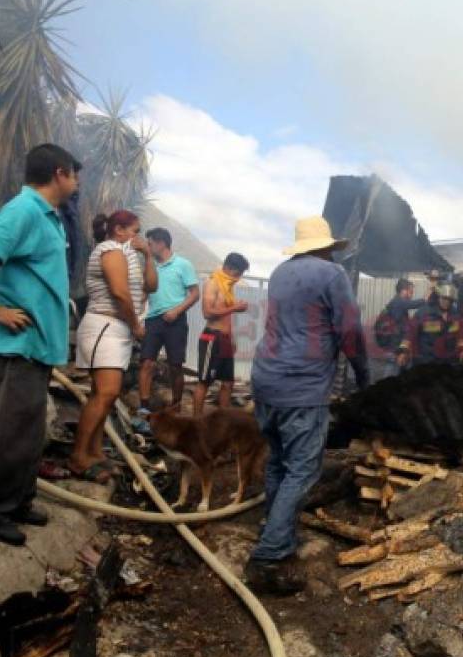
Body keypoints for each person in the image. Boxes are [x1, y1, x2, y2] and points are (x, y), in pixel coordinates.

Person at [0, 143, 80, 546]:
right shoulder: (24, 209)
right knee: (4, 432)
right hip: (15, 344)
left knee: (28, 434)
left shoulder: (51, 218)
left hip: (36, 346)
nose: (76, 183)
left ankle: (16, 502)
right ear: (60, 173)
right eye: (74, 175)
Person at [244, 215, 369, 593]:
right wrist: (364, 376)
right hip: (302, 387)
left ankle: (274, 527)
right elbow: (349, 330)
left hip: (266, 380)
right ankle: (270, 553)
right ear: (327, 245)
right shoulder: (332, 275)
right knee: (302, 469)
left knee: (279, 459)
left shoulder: (281, 272)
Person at [69, 211, 157, 483]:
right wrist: (136, 326)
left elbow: (151, 286)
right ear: (119, 230)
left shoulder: (128, 254)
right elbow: (119, 293)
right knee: (106, 393)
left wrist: (148, 256)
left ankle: (94, 452)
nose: (138, 236)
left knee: (104, 394)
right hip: (105, 326)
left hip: (116, 330)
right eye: (134, 230)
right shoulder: (109, 250)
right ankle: (78, 456)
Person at [133, 228, 199, 432]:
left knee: (175, 366)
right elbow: (145, 294)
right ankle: (143, 409)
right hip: (153, 320)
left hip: (175, 321)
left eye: (150, 243)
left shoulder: (183, 264)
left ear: (161, 243)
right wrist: (136, 318)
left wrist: (177, 310)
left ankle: (176, 407)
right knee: (146, 363)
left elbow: (195, 294)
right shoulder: (150, 266)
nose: (149, 247)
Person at [192, 252, 250, 416]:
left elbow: (226, 316)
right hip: (211, 337)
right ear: (230, 268)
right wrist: (235, 308)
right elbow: (207, 312)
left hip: (224, 339)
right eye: (238, 274)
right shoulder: (212, 283)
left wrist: (231, 338)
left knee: (227, 383)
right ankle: (197, 421)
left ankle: (223, 422)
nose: (238, 278)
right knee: (204, 381)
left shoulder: (228, 287)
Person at [397, 283, 463, 367]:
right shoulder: (424, 313)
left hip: (448, 362)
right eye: (444, 298)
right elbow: (409, 333)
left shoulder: (456, 315)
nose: (447, 302)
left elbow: (461, 336)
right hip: (426, 362)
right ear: (438, 296)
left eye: (450, 300)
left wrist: (462, 351)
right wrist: (403, 351)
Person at [372, 278, 425, 380]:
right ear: (403, 291)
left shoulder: (397, 304)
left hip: (395, 347)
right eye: (411, 292)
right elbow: (413, 304)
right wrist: (425, 299)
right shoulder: (398, 302)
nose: (412, 295)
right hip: (394, 348)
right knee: (392, 373)